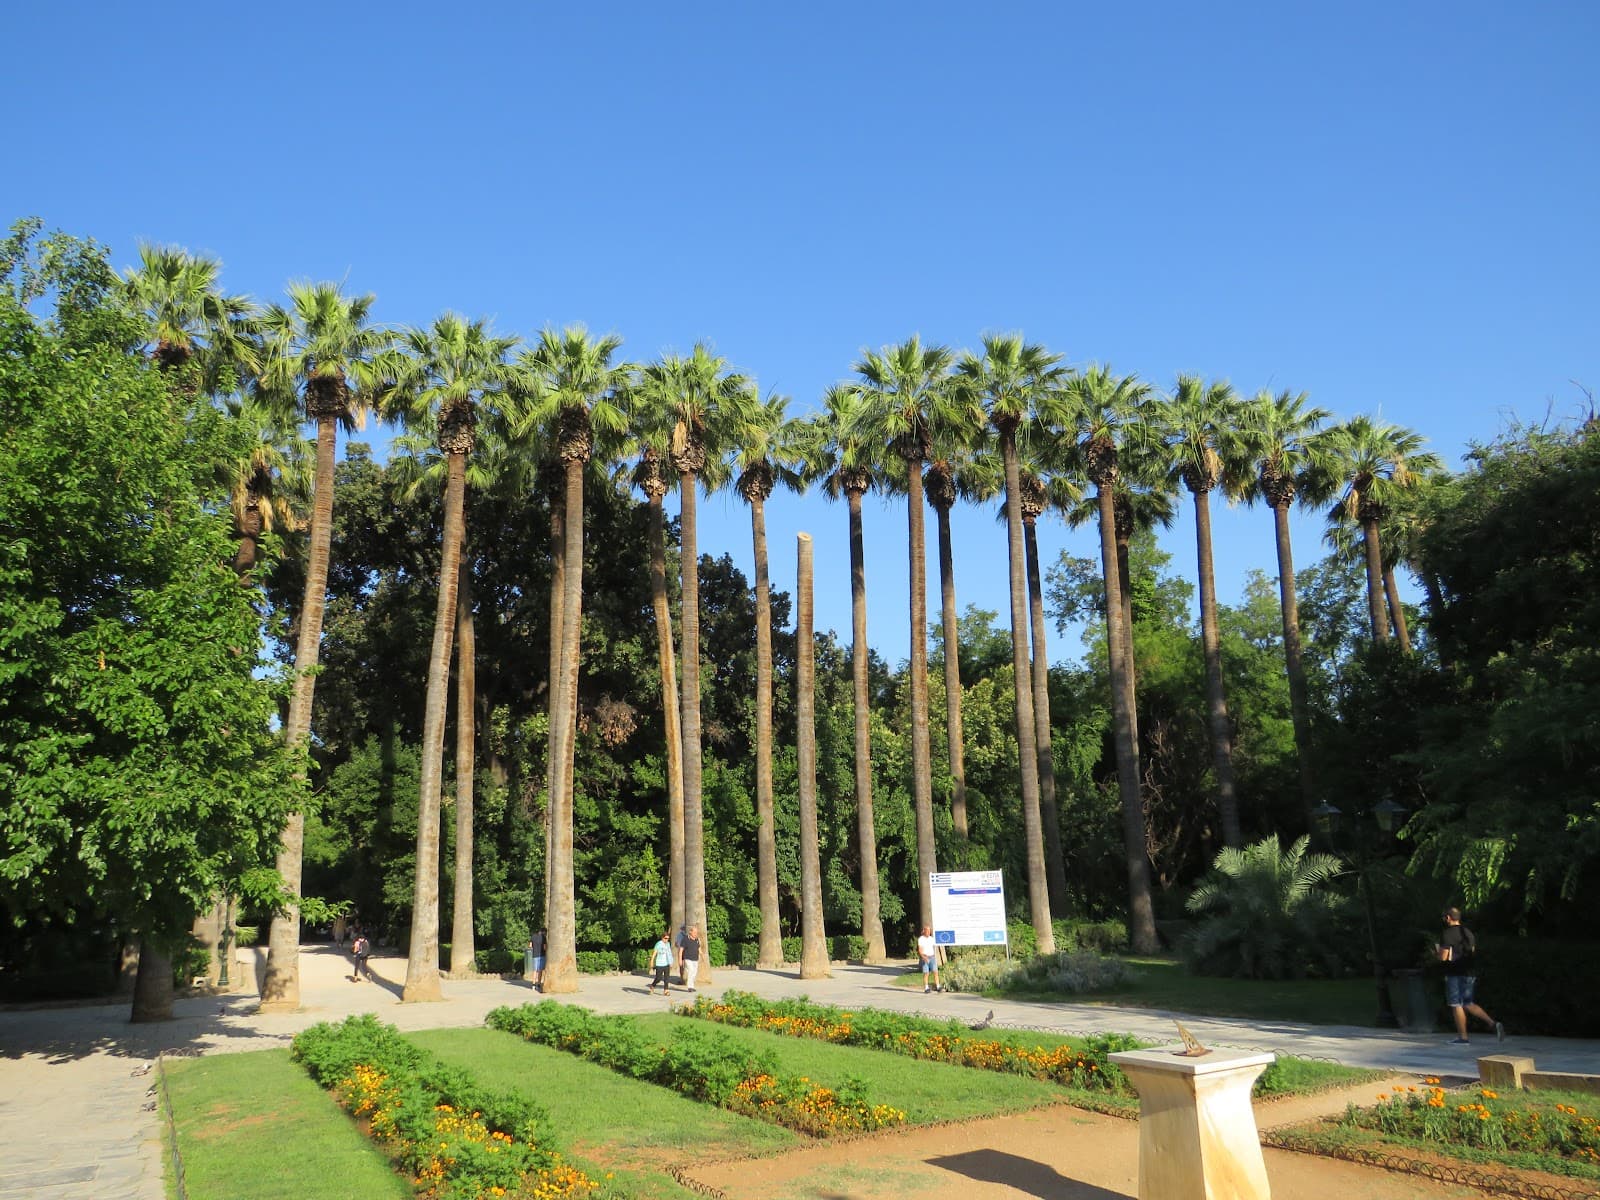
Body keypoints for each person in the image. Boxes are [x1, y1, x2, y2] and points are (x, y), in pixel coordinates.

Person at [1440, 906, 1503, 1045]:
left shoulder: (1447, 933)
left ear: (1448, 918)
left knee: (1456, 1004)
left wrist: (1438, 952)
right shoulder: (1468, 933)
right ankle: (1493, 1024)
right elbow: (1472, 952)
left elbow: (1443, 957)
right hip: (1469, 972)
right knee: (1468, 1003)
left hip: (1454, 973)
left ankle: (1463, 1038)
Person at [648, 929, 674, 994]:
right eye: (665, 938)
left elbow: (669, 953)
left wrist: (671, 962)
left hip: (667, 963)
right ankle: (652, 985)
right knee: (658, 978)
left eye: (668, 939)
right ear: (662, 937)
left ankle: (666, 990)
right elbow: (654, 954)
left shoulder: (668, 944)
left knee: (666, 978)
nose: (666, 940)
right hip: (659, 963)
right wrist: (651, 962)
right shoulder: (658, 944)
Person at [917, 924, 941, 994]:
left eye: (929, 931)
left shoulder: (931, 939)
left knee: (935, 972)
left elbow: (935, 946)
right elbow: (920, 950)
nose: (928, 932)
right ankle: (926, 988)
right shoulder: (921, 939)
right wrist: (924, 957)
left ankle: (938, 986)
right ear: (924, 931)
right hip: (925, 957)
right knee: (926, 973)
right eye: (927, 931)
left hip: (932, 957)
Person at [681, 924, 703, 992]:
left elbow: (699, 949)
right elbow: (681, 949)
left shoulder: (696, 940)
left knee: (694, 972)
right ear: (690, 932)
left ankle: (692, 985)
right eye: (695, 932)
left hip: (695, 959)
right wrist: (680, 959)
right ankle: (690, 987)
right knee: (691, 970)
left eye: (696, 932)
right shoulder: (685, 939)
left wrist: (702, 956)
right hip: (687, 958)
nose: (696, 934)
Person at [528, 928, 546, 992]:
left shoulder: (533, 936)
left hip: (535, 955)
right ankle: (538, 984)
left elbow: (530, 946)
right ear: (542, 932)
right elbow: (544, 948)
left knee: (535, 970)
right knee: (540, 970)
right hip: (542, 955)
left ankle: (533, 984)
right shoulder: (543, 937)